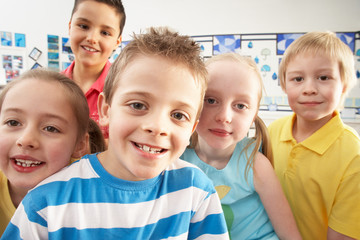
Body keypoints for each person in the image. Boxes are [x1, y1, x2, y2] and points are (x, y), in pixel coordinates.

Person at [1, 27, 229, 239]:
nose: (158, 127)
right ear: (105, 110)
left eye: (178, 115)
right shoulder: (45, 202)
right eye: (138, 105)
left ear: (191, 128)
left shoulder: (196, 190)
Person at [182, 53, 301, 240]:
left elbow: (290, 235)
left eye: (240, 106)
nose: (224, 116)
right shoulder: (177, 158)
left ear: (253, 115)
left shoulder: (255, 164)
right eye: (211, 100)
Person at [268, 31, 360, 239]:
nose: (309, 89)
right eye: (298, 79)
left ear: (344, 85)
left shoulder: (353, 154)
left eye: (324, 77)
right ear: (284, 84)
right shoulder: (273, 131)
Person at [0, 69, 89, 236]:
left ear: (79, 144)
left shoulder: (91, 201)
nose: (26, 140)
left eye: (51, 128)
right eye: (13, 122)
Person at [63, 0, 126, 139]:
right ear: (70, 27)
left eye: (105, 32)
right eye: (83, 26)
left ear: (117, 41)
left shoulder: (125, 90)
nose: (92, 38)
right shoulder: (51, 87)